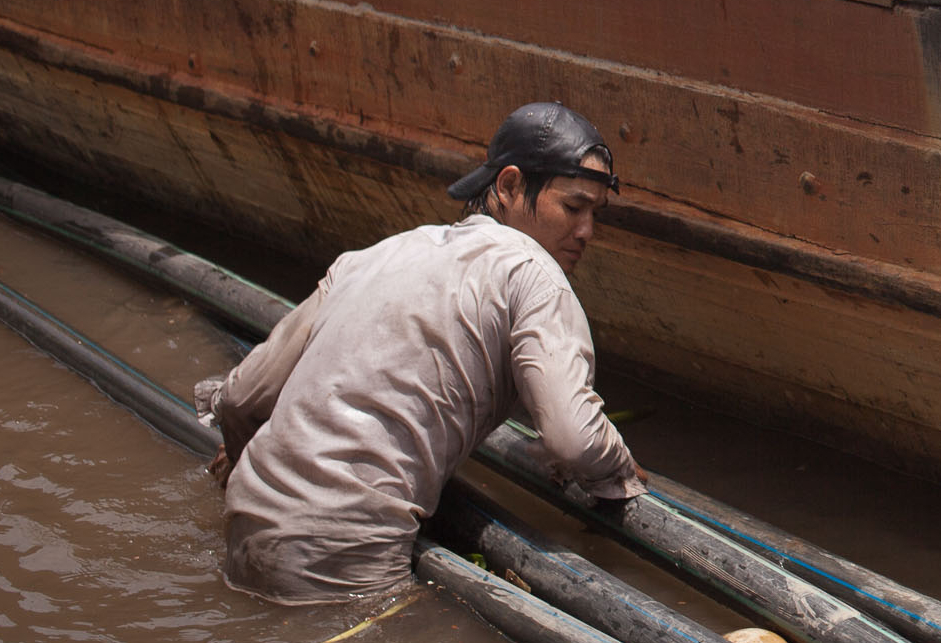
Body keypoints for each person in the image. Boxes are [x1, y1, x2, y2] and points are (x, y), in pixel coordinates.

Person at [197, 102, 646, 604]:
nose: (587, 231)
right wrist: (619, 471)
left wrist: (241, 458)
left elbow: (240, 397)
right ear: (510, 186)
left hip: (246, 523)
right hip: (347, 551)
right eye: (574, 207)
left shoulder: (377, 254)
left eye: (594, 214)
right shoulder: (536, 276)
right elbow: (572, 439)